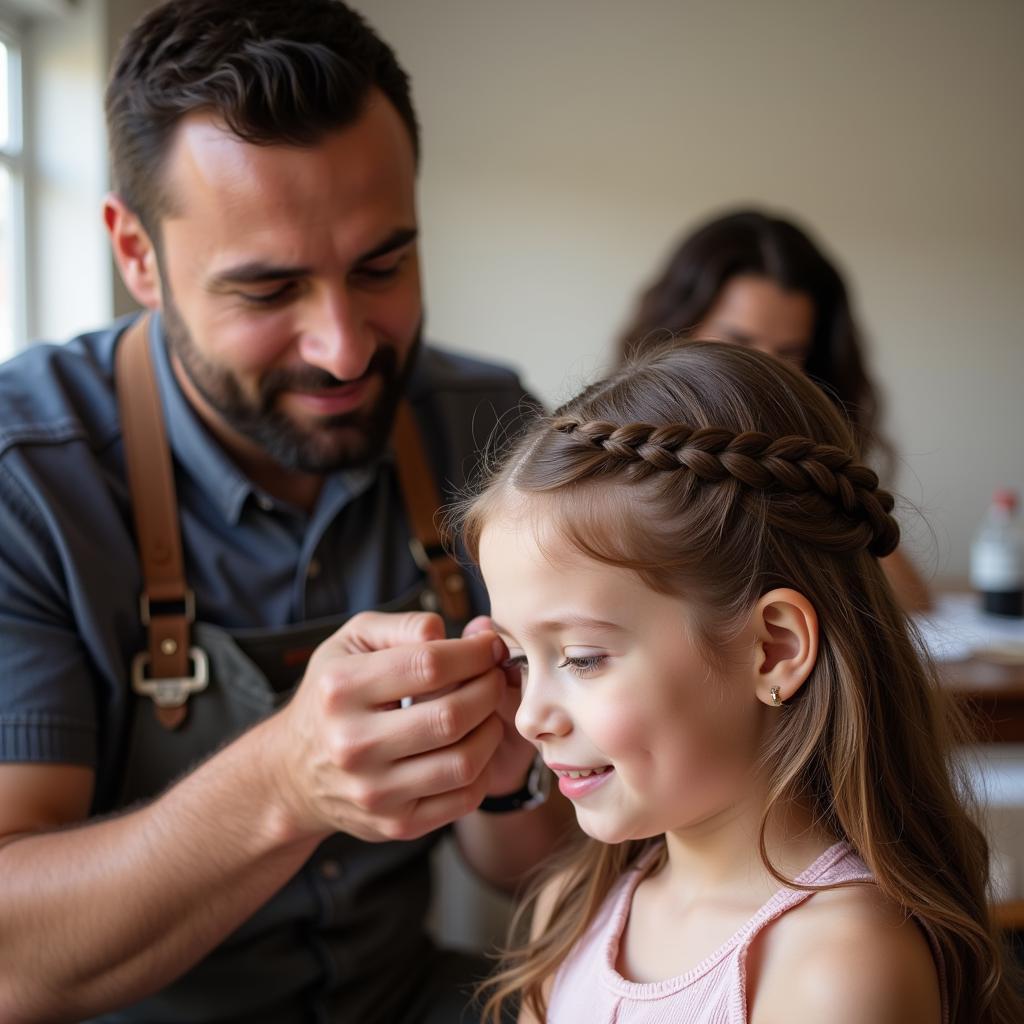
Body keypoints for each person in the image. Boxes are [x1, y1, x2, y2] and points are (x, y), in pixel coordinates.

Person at [0, 2, 568, 1022]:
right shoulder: (26, 479)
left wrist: (514, 770)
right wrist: (282, 784)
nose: (345, 349)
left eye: (382, 266)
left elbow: (527, 861)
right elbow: (10, 963)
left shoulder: (491, 431)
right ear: (136, 254)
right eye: (268, 291)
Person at [456, 342, 1022, 1023]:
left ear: (774, 648)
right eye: (520, 659)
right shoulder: (572, 912)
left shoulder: (838, 972)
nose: (530, 717)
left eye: (580, 658)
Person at [616, 207, 931, 611]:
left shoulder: (802, 460)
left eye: (788, 354)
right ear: (679, 328)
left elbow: (912, 603)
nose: (764, 373)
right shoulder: (623, 447)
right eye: (739, 342)